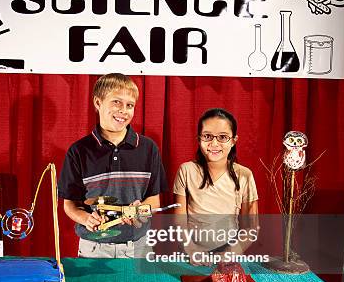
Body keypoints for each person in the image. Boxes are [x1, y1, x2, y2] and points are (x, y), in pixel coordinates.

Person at [59, 73, 167, 258]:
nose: (123, 110)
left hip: (139, 247)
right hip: (93, 248)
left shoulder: (148, 148)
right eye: (116, 102)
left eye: (129, 105)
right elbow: (70, 205)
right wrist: (86, 218)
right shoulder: (78, 151)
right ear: (98, 102)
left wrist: (139, 211)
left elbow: (154, 200)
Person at [173, 108, 258, 261]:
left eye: (223, 137)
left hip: (229, 252)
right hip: (191, 253)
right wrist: (191, 249)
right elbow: (179, 223)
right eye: (207, 136)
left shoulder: (245, 175)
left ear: (233, 141)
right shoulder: (186, 170)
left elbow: (251, 228)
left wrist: (230, 253)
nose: (214, 143)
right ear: (199, 139)